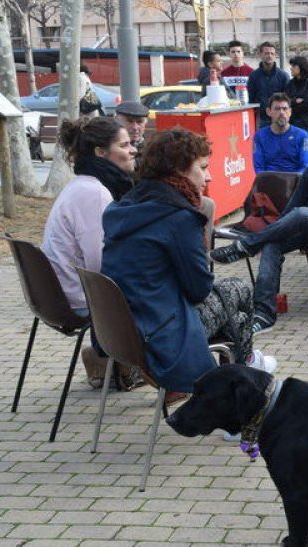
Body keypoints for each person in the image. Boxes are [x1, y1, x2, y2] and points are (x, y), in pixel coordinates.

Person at [102, 127, 276, 398]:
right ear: (180, 170)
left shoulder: (125, 208)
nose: (210, 176)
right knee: (238, 290)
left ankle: (246, 371)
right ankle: (242, 389)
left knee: (239, 318)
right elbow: (199, 290)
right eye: (203, 167)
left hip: (122, 330)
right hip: (161, 334)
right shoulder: (179, 218)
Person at [210, 116, 308, 333]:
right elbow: (289, 211)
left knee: (304, 213)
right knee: (272, 243)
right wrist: (279, 231)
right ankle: (264, 314)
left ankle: (247, 245)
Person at [43, 117, 135, 316]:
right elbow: (100, 264)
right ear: (101, 153)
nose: (133, 150)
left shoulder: (83, 184)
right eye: (124, 145)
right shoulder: (94, 193)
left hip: (68, 293)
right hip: (81, 299)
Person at [253, 93, 308, 174]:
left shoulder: (302, 135)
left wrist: (291, 182)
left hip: (295, 183)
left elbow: (305, 166)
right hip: (269, 182)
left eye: (285, 109)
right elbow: (258, 167)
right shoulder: (259, 135)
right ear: (268, 111)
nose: (281, 112)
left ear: (290, 112)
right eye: (277, 109)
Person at [249, 41, 291, 127]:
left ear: (275, 55)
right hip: (261, 119)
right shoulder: (254, 75)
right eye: (267, 53)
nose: (270, 56)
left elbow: (288, 98)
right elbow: (251, 97)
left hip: (279, 118)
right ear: (260, 54)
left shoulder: (283, 76)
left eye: (272, 53)